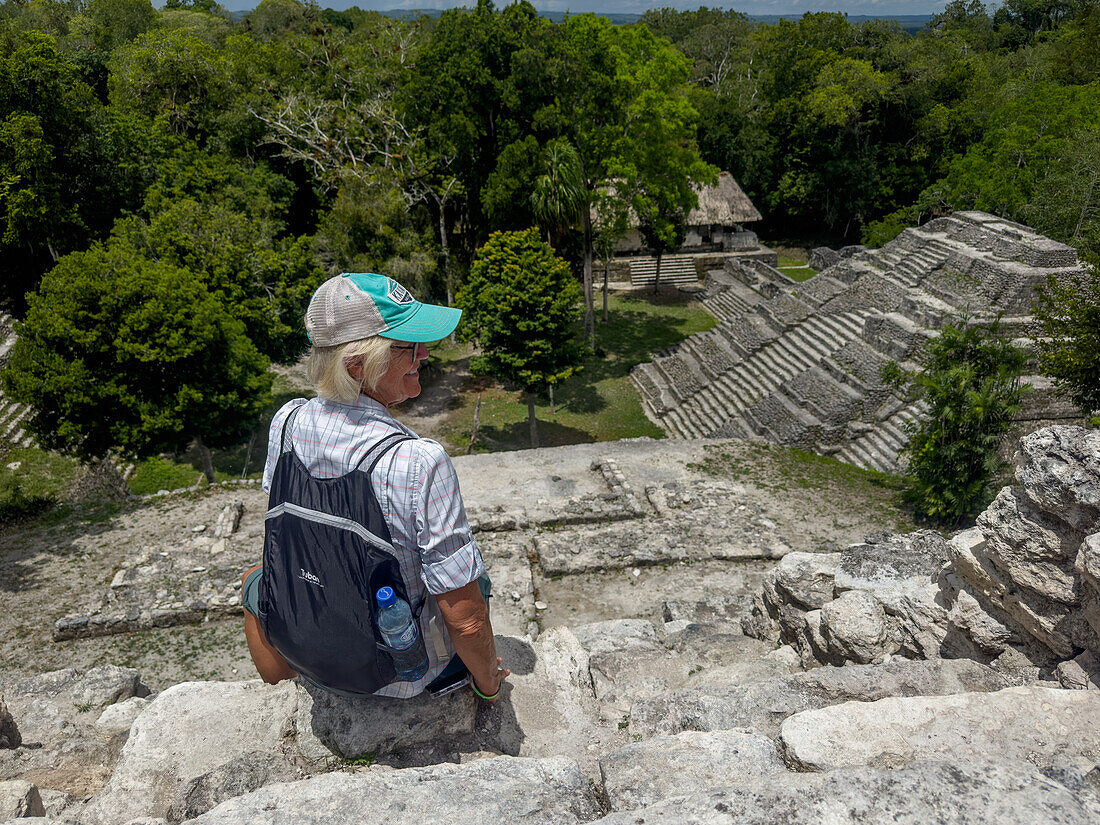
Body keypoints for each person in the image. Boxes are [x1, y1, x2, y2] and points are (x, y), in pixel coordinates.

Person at [241, 272, 509, 702]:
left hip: (313, 646)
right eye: (408, 346)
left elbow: (287, 544)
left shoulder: (286, 422)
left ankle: (285, 679)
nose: (424, 354)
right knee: (478, 586)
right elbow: (465, 621)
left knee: (254, 579)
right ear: (357, 365)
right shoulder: (418, 461)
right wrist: (490, 683)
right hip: (398, 675)